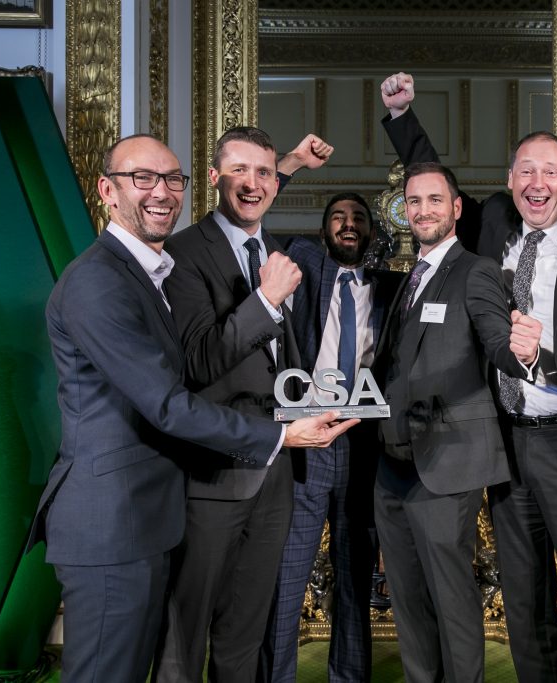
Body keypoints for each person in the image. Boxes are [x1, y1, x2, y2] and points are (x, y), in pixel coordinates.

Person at [26, 134, 356, 683]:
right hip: (135, 507)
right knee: (155, 655)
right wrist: (280, 432)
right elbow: (172, 395)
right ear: (107, 190)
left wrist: (290, 164)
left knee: (233, 640)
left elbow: (253, 189)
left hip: (167, 503)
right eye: (143, 180)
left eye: (169, 180)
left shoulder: (146, 268)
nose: (160, 192)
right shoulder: (116, 276)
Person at [381, 73, 557, 683]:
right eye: (526, 172)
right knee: (524, 606)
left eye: (551, 172)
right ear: (510, 181)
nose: (538, 184)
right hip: (505, 446)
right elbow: (433, 185)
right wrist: (403, 116)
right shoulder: (487, 226)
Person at [152, 128, 339, 682]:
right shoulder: (182, 254)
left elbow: (279, 366)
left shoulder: (275, 251)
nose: (253, 183)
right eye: (238, 171)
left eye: (264, 174)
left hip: (276, 474)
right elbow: (200, 362)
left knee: (245, 634)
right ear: (213, 178)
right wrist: (265, 300)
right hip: (212, 476)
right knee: (184, 638)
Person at [372, 161, 543, 682]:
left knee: (451, 601)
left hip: (445, 464)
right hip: (391, 467)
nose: (424, 211)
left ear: (455, 208)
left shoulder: (476, 271)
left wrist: (522, 354)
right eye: (415, 202)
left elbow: (497, 340)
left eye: (434, 200)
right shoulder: (409, 278)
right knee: (407, 601)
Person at [260, 192, 404, 682]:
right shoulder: (309, 268)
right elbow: (252, 214)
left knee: (354, 579)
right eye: (338, 218)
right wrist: (291, 164)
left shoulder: (392, 288)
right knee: (287, 578)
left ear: (371, 233)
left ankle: (349, 677)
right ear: (323, 234)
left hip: (364, 447)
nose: (348, 225)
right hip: (305, 443)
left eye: (358, 219)